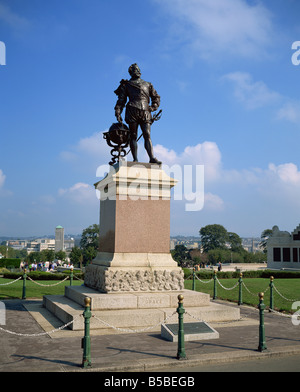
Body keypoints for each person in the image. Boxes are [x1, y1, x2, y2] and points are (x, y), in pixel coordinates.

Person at [114, 63, 161, 164]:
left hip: (145, 111)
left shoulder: (148, 84)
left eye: (139, 70)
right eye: (135, 70)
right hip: (132, 111)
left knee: (147, 134)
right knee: (133, 136)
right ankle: (135, 159)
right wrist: (118, 111)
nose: (138, 71)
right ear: (131, 73)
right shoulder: (126, 85)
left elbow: (156, 97)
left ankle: (152, 157)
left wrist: (153, 107)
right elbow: (121, 100)